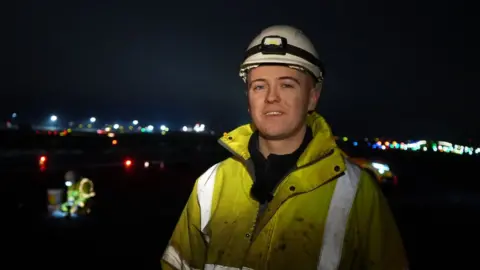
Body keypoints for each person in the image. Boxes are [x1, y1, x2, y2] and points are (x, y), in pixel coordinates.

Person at [161, 25, 408, 270]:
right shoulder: (210, 185)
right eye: (259, 86)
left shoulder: (357, 193)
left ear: (313, 96)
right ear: (248, 97)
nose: (271, 97)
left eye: (287, 84)